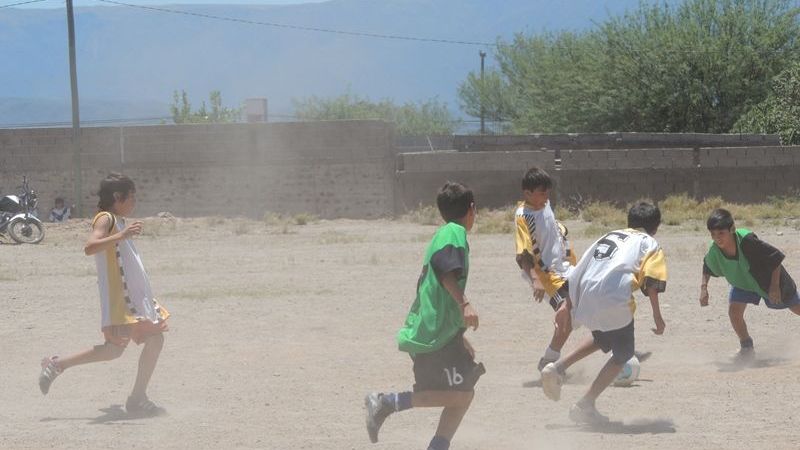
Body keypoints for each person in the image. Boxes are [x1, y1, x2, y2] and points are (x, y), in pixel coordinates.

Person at [365, 181, 485, 450]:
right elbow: (445, 272)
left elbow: (435, 289)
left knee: (464, 393)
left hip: (441, 332)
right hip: (433, 336)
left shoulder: (444, 234)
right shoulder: (454, 232)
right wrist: (465, 304)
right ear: (471, 209)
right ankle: (386, 402)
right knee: (458, 394)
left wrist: (459, 335)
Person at [38, 173, 170, 417]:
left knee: (132, 345)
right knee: (122, 348)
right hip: (122, 300)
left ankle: (59, 365)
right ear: (118, 197)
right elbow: (90, 247)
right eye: (131, 197)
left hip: (132, 299)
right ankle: (135, 398)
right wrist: (122, 235)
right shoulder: (106, 218)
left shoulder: (117, 220)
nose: (134, 201)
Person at [541, 202, 667, 424]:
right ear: (655, 228)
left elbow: (580, 269)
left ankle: (557, 367)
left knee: (604, 336)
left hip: (585, 292)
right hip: (613, 296)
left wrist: (566, 304)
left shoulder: (610, 235)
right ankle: (585, 404)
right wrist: (657, 316)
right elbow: (652, 281)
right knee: (624, 354)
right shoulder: (649, 243)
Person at [699, 208, 800, 361]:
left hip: (766, 280)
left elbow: (775, 257)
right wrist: (704, 288)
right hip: (743, 282)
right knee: (734, 312)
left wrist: (774, 287)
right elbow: (707, 266)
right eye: (713, 234)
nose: (717, 238)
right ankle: (746, 348)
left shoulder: (747, 241)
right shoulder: (714, 250)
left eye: (721, 233)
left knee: (796, 307)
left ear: (732, 229)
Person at [514, 167, 577, 373]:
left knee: (585, 303)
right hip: (547, 275)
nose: (546, 196)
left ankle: (618, 343)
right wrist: (535, 280)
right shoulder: (523, 216)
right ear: (527, 193)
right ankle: (549, 362)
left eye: (548, 192)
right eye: (542, 193)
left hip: (565, 268)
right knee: (566, 315)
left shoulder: (544, 203)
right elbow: (523, 253)